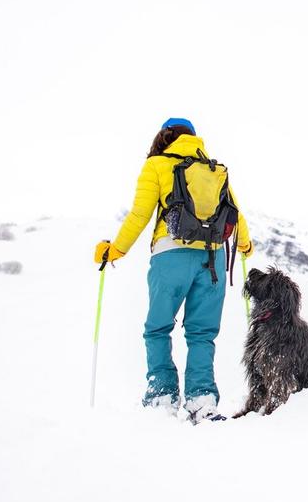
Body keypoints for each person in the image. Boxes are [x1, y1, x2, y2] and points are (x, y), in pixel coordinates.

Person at [94, 118, 253, 423]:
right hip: (213, 258)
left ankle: (162, 397)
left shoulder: (157, 164)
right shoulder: (211, 167)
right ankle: (202, 401)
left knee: (158, 327)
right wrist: (245, 245)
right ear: (194, 138)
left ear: (165, 137)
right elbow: (236, 212)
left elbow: (140, 214)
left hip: (171, 255)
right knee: (202, 333)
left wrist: (116, 250)